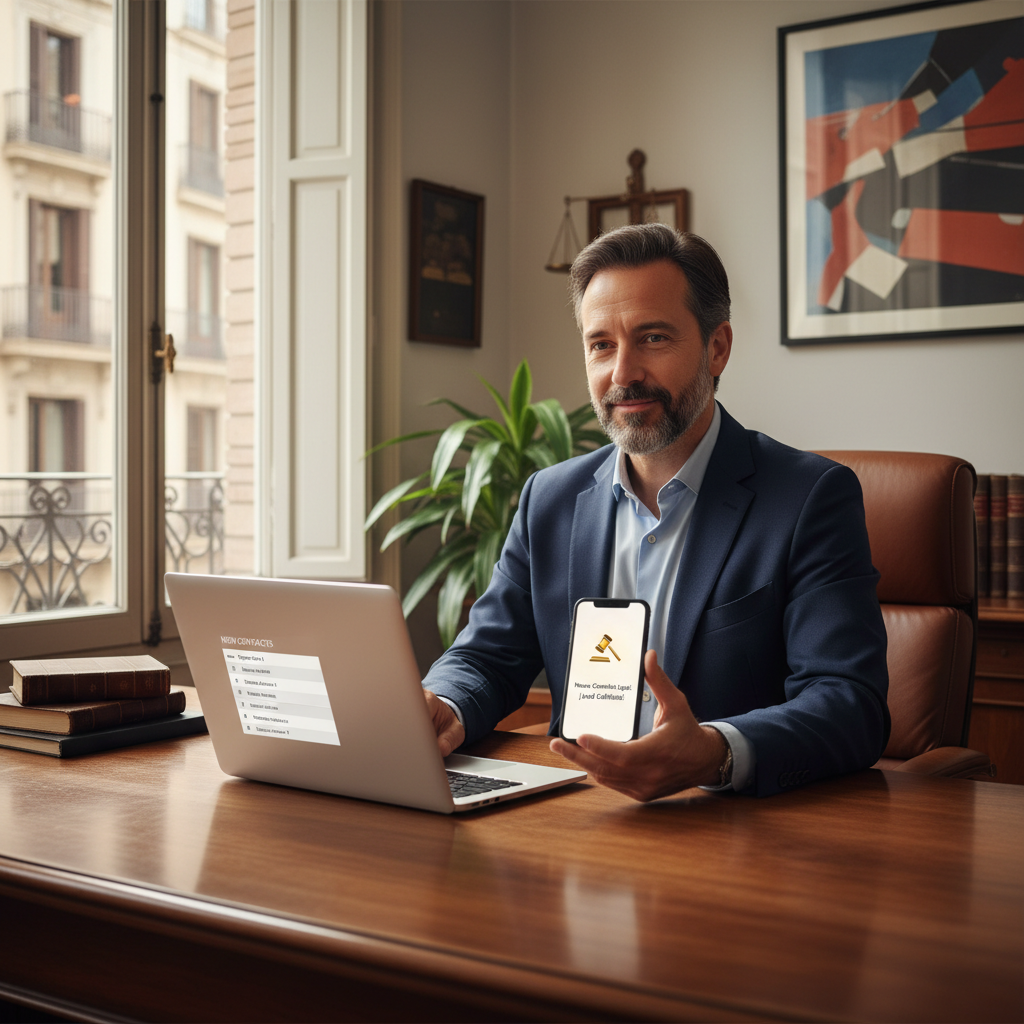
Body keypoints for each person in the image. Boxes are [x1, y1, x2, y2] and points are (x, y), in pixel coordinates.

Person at [421, 224, 889, 799]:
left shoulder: (809, 497)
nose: (622, 374)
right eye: (601, 345)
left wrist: (713, 753)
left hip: (733, 830)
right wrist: (442, 704)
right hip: (574, 817)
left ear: (717, 347)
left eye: (653, 338)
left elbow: (849, 702)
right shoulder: (550, 498)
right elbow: (488, 657)